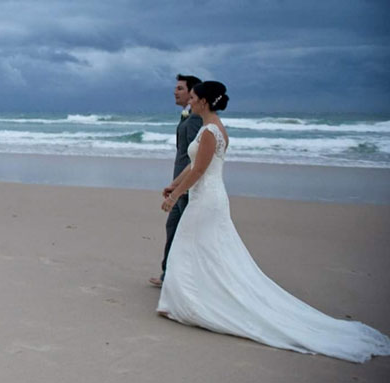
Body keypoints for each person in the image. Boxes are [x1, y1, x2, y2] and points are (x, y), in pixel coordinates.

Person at [156, 81, 390, 362]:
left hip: (206, 199)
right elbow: (191, 167)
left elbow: (200, 170)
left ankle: (191, 304)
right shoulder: (213, 127)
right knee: (202, 250)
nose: (189, 102)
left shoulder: (210, 131)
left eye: (193, 98)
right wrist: (174, 184)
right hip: (208, 198)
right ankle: (185, 300)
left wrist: (175, 196)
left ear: (204, 101)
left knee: (198, 247)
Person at [149, 74, 202, 288]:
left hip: (188, 184)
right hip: (179, 181)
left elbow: (196, 156)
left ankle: (173, 276)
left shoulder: (196, 119)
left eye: (180, 88)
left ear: (192, 93)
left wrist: (180, 186)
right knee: (173, 226)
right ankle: (168, 273)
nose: (175, 91)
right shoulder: (187, 116)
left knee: (180, 229)